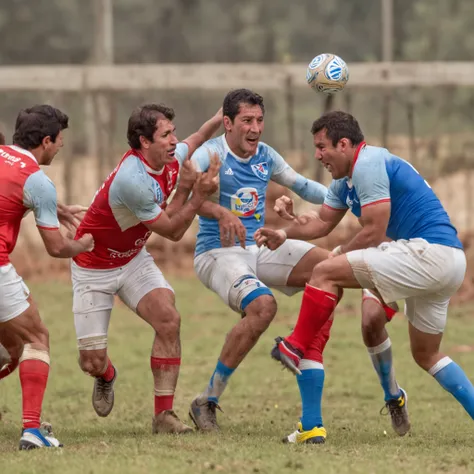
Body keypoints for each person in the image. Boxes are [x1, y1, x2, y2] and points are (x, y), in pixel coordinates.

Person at [187, 89, 406, 443]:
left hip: (258, 246)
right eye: (247, 120)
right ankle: (207, 400)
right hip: (218, 253)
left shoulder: (266, 156)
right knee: (263, 307)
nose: (255, 127)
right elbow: (184, 199)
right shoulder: (208, 154)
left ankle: (366, 382)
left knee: (330, 267)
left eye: (259, 120)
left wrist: (352, 198)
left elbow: (305, 186)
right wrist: (219, 210)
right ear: (227, 123)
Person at [257, 110, 474, 426]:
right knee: (425, 354)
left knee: (324, 271)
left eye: (322, 147)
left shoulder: (368, 162)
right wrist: (283, 232)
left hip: (426, 253)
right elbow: (321, 222)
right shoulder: (344, 181)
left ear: (344, 144)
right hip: (447, 261)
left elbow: (375, 229)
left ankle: (295, 347)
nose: (317, 155)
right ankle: (399, 397)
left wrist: (340, 255)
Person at [71, 104, 222, 434]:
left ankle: (163, 416)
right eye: (166, 135)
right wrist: (195, 195)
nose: (174, 140)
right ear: (144, 142)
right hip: (93, 266)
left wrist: (221, 115)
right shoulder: (131, 180)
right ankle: (106, 375)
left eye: (173, 132)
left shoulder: (168, 157)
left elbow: (197, 137)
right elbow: (172, 231)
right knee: (91, 362)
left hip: (132, 258)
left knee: (169, 319)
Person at [0, 105, 94, 449]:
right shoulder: (38, 181)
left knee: (10, 348)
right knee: (35, 339)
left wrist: (56, 207)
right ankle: (32, 431)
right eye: (59, 141)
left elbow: (8, 191)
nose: (61, 146)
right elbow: (55, 248)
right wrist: (83, 243)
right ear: (45, 140)